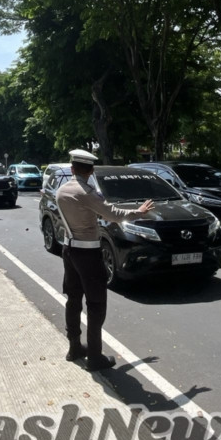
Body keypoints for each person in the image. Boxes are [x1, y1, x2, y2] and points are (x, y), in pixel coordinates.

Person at [56, 149, 154, 371]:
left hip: (69, 251)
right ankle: (95, 356)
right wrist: (138, 211)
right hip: (88, 254)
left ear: (72, 169)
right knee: (96, 304)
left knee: (73, 299)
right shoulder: (86, 192)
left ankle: (74, 347)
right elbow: (113, 214)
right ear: (90, 171)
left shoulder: (62, 190)